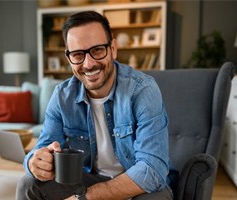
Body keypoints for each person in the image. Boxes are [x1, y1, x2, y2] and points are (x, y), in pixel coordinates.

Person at [16, 10, 173, 200]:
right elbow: (40, 149)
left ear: (113, 48)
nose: (88, 64)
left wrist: (85, 198)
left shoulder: (142, 90)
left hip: (135, 183)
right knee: (28, 184)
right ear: (69, 59)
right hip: (89, 179)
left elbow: (152, 168)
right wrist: (34, 163)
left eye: (97, 50)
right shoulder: (62, 96)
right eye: (78, 54)